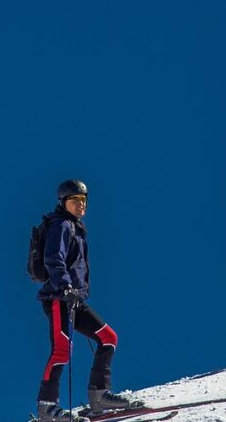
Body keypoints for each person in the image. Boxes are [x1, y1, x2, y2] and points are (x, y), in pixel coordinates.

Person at [35, 179, 136, 422]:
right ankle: (47, 407)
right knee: (61, 350)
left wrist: (74, 292)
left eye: (83, 200)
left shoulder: (75, 228)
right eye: (75, 200)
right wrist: (65, 286)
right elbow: (53, 259)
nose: (80, 205)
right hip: (59, 298)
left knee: (108, 338)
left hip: (75, 300)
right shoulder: (61, 225)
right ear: (63, 202)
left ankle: (99, 395)